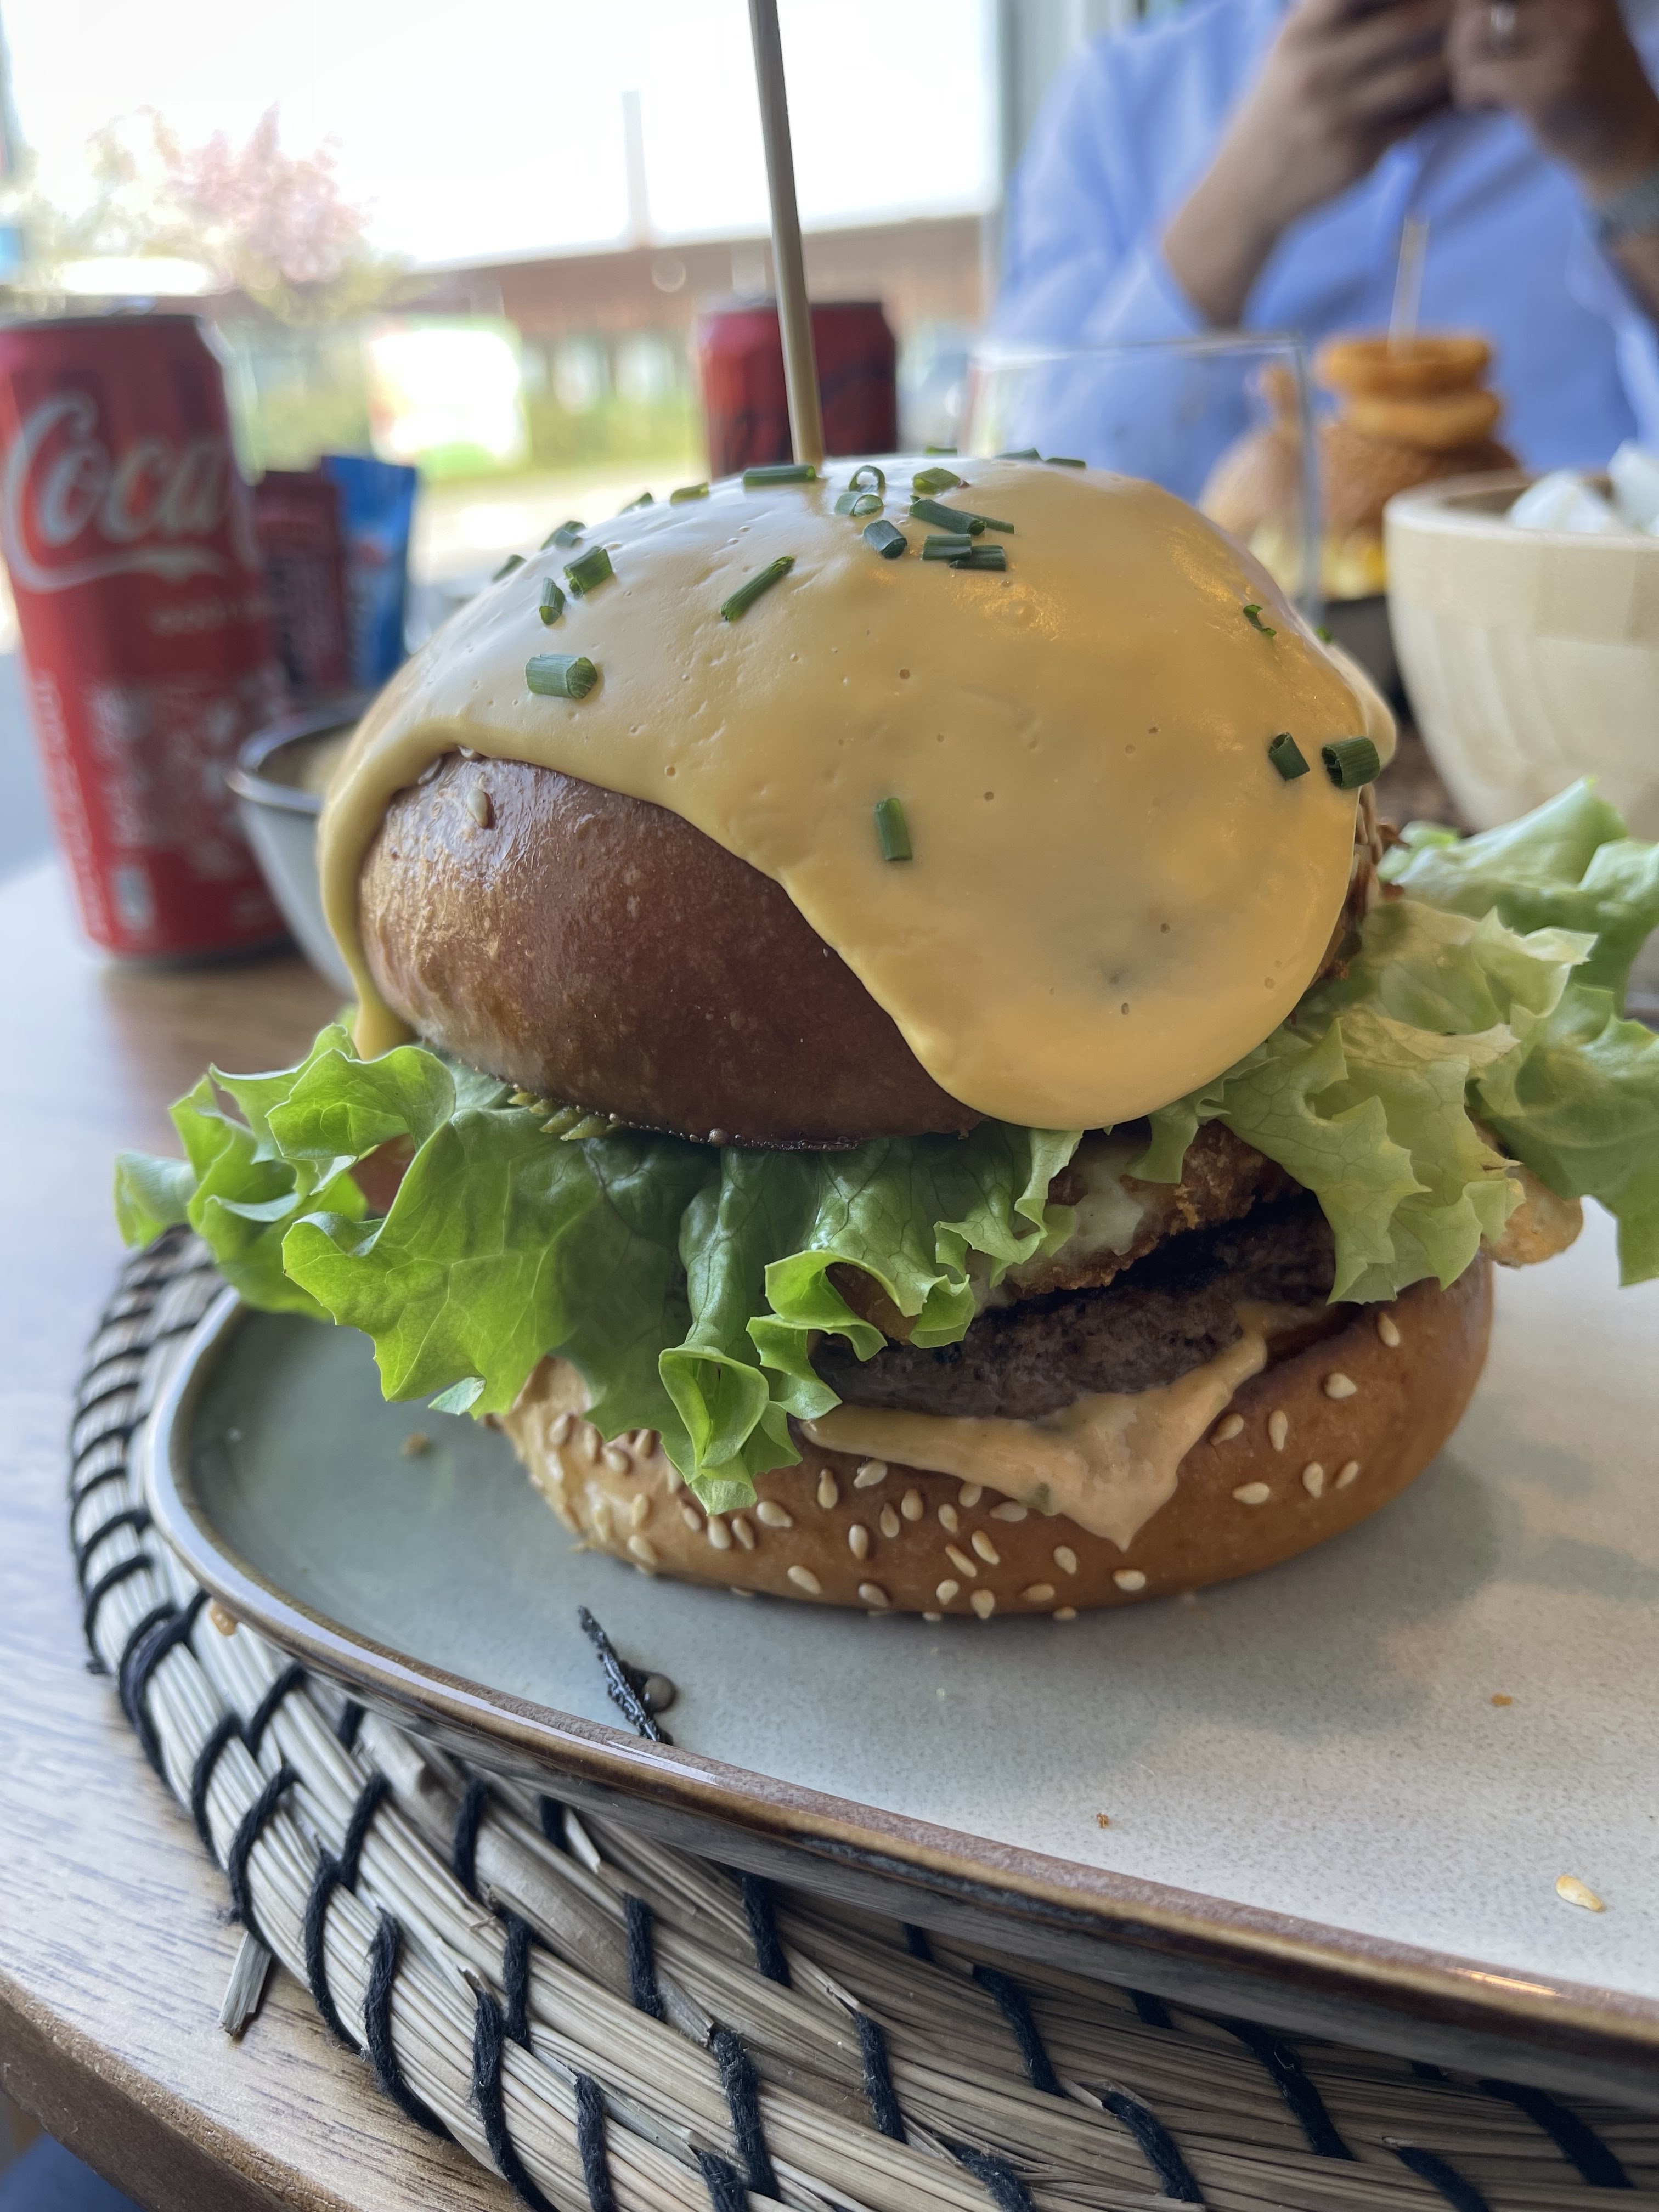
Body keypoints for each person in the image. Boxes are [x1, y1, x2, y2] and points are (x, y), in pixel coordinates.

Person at [995, 0, 1659, 468]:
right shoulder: (1115, 100)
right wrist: (1234, 206)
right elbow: (1017, 509)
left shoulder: (1636, 75)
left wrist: (1632, 164)